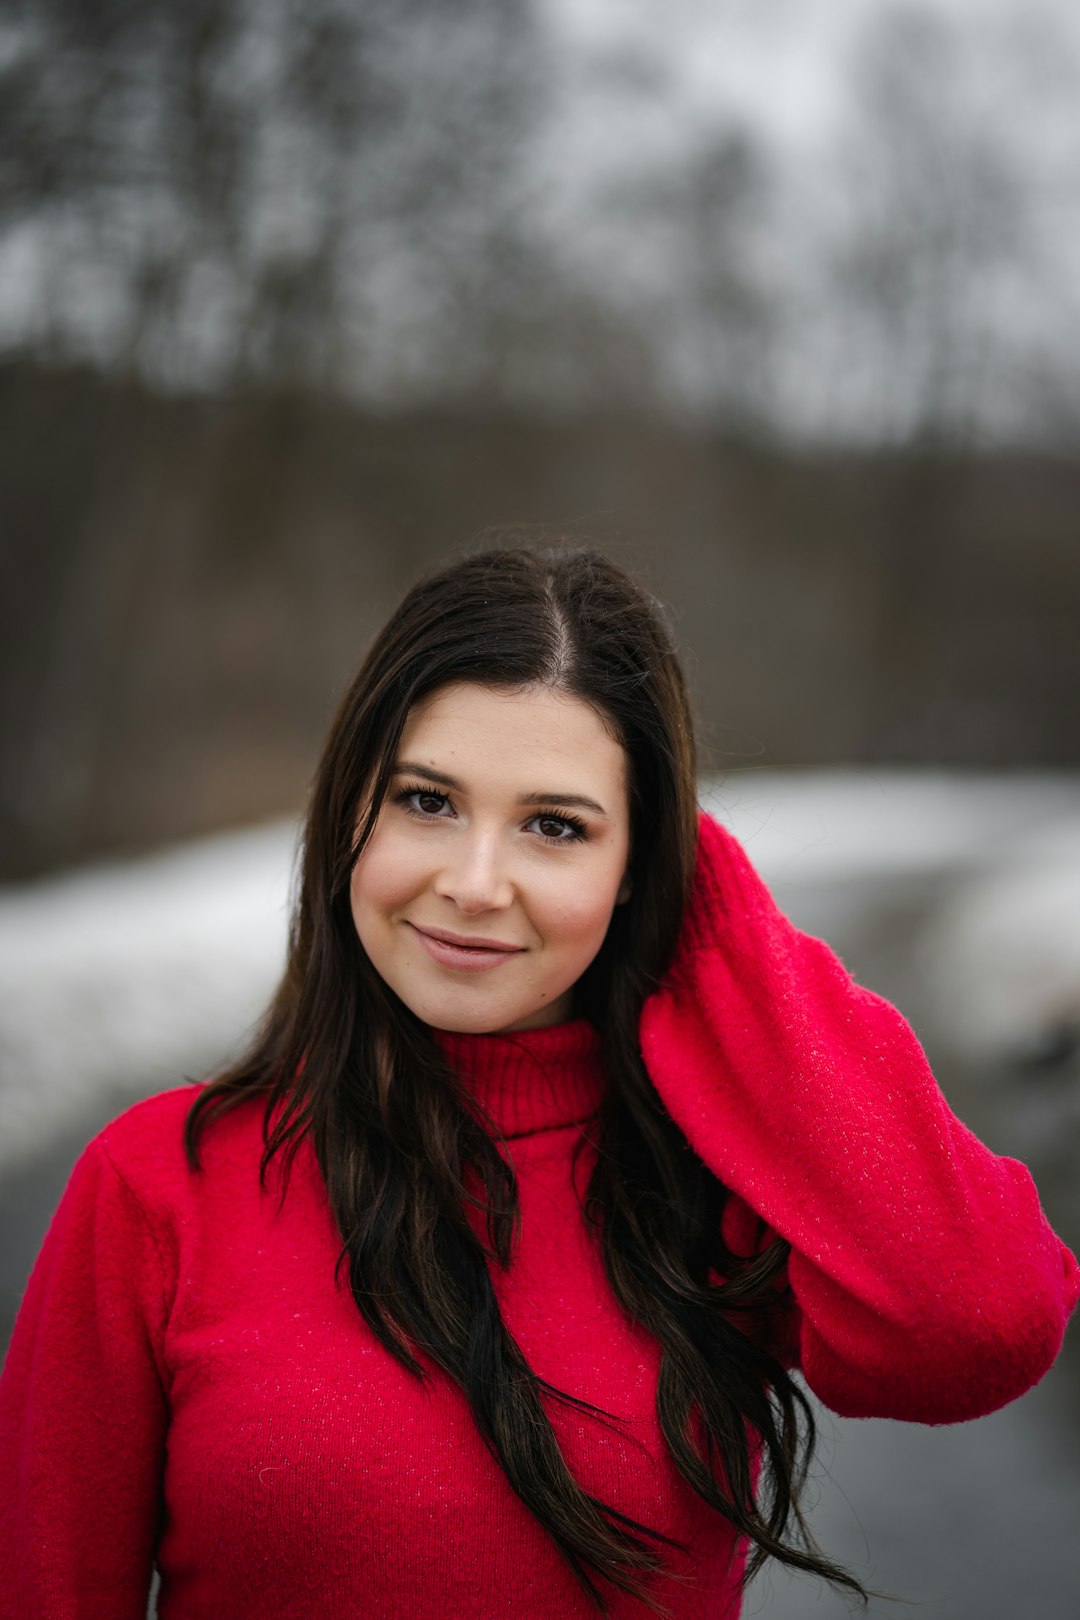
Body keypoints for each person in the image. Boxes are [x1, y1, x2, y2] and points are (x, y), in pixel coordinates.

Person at [0, 543, 1076, 1620]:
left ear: (637, 869)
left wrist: (711, 925)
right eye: (426, 801)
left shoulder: (717, 1186)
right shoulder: (156, 1185)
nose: (473, 884)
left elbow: (976, 1328)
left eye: (555, 827)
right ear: (346, 815)